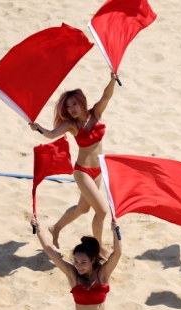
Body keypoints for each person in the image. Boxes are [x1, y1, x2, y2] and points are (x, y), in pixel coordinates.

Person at [29, 72, 118, 259]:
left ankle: (56, 227)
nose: (71, 109)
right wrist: (38, 127)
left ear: (82, 102)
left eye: (74, 104)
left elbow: (106, 96)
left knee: (83, 208)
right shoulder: (71, 125)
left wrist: (111, 80)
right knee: (101, 211)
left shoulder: (96, 114)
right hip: (82, 171)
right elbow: (52, 134)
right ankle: (99, 248)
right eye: (68, 107)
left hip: (98, 171)